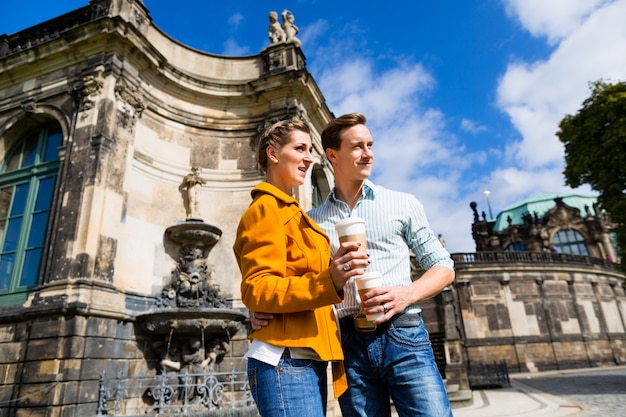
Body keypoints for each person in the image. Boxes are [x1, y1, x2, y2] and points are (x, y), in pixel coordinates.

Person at [251, 113, 455, 417]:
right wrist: (261, 307)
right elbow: (291, 279)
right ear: (333, 155)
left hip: (405, 333)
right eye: (358, 146)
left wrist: (405, 295)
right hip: (347, 344)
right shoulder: (311, 220)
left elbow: (443, 266)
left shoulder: (402, 203)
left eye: (370, 145)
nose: (369, 153)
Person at [233, 119, 370, 417]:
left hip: (305, 357)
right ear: (273, 154)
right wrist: (329, 280)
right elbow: (257, 288)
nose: (309, 157)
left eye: (310, 149)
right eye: (300, 148)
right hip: (285, 359)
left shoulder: (293, 214)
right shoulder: (266, 209)